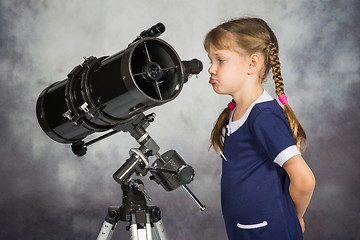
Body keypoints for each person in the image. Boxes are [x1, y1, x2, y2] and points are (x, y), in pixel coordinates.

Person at [204, 17, 315, 240]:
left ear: (252, 64)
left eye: (220, 60)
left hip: (270, 232)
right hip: (247, 229)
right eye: (211, 60)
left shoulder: (264, 117)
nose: (210, 68)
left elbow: (304, 180)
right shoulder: (236, 112)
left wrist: (296, 216)